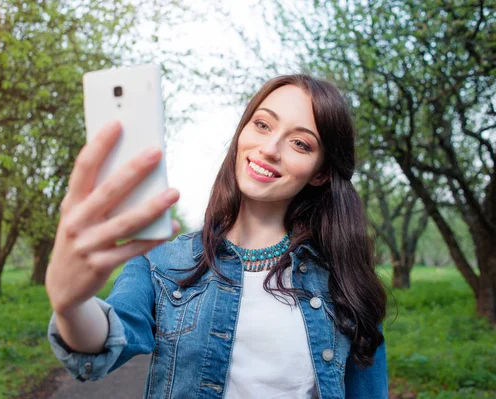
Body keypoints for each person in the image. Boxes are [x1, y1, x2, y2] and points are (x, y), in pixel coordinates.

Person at [45, 74, 388, 399]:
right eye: (262, 124)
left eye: (300, 143)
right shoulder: (162, 261)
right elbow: (104, 343)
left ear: (321, 172)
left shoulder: (344, 281)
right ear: (243, 132)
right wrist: (71, 304)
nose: (270, 148)